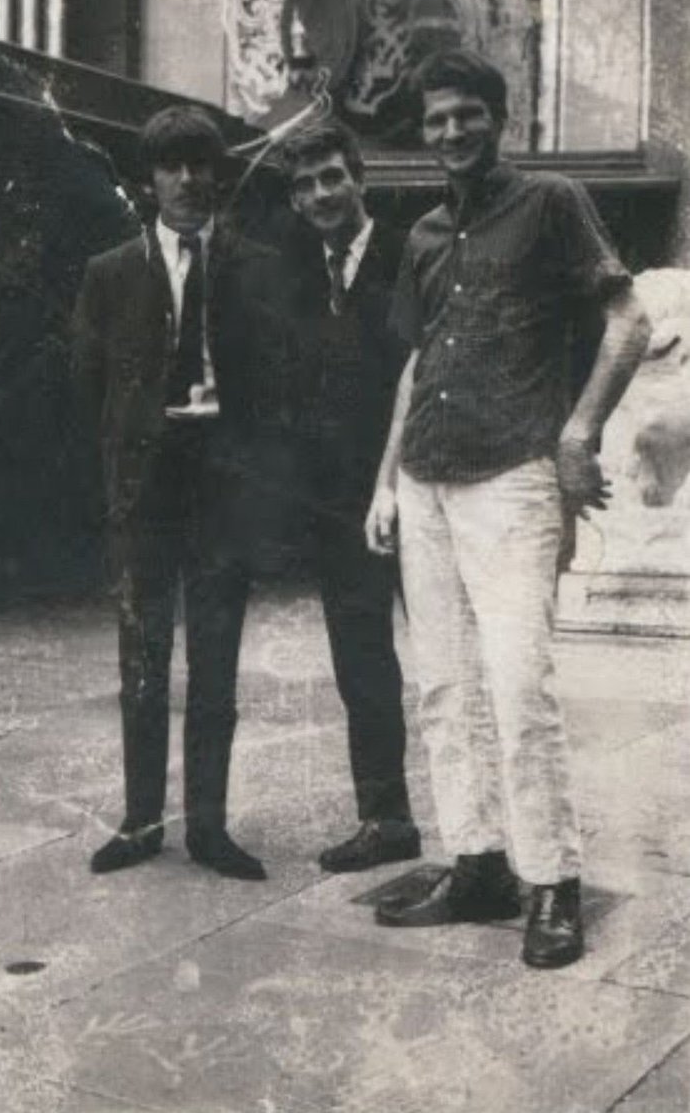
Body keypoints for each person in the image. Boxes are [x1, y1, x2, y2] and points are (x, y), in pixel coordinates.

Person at [365, 50, 650, 967]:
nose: (450, 132)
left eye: (467, 116)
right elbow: (417, 365)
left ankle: (553, 882)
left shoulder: (551, 202)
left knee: (518, 686)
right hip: (425, 482)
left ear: (499, 117)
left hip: (512, 478)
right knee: (443, 687)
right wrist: (383, 481)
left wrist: (577, 436)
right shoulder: (423, 234)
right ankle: (476, 863)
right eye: (436, 119)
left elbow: (628, 321)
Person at [74, 105, 282, 882]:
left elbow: (276, 386)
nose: (190, 179)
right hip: (146, 491)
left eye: (202, 163)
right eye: (173, 165)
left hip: (223, 487)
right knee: (141, 658)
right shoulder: (109, 273)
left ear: (219, 173)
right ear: (149, 178)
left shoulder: (256, 265)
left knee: (217, 664)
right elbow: (87, 390)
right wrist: (119, 479)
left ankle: (208, 829)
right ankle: (138, 822)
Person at [280, 121, 421, 872]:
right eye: (303, 186)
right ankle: (385, 818)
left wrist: (392, 482)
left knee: (452, 661)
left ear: (359, 179)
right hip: (338, 510)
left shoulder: (410, 255)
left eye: (331, 177)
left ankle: (489, 830)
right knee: (361, 666)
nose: (319, 195)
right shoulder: (300, 274)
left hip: (419, 492)